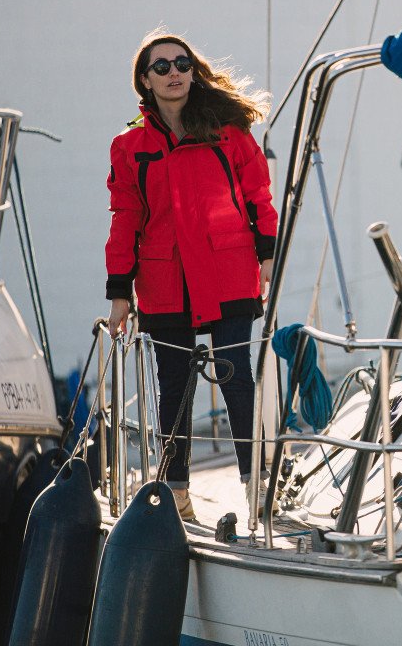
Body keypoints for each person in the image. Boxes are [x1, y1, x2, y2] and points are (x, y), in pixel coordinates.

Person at [105, 30, 278, 522]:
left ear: (193, 70)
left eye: (181, 63)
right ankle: (177, 495)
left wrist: (267, 253)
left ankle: (255, 488)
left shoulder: (228, 131)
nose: (174, 73)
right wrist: (119, 291)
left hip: (228, 271)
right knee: (175, 386)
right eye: (161, 67)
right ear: (145, 80)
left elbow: (258, 197)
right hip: (165, 280)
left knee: (234, 373)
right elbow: (125, 218)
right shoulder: (129, 146)